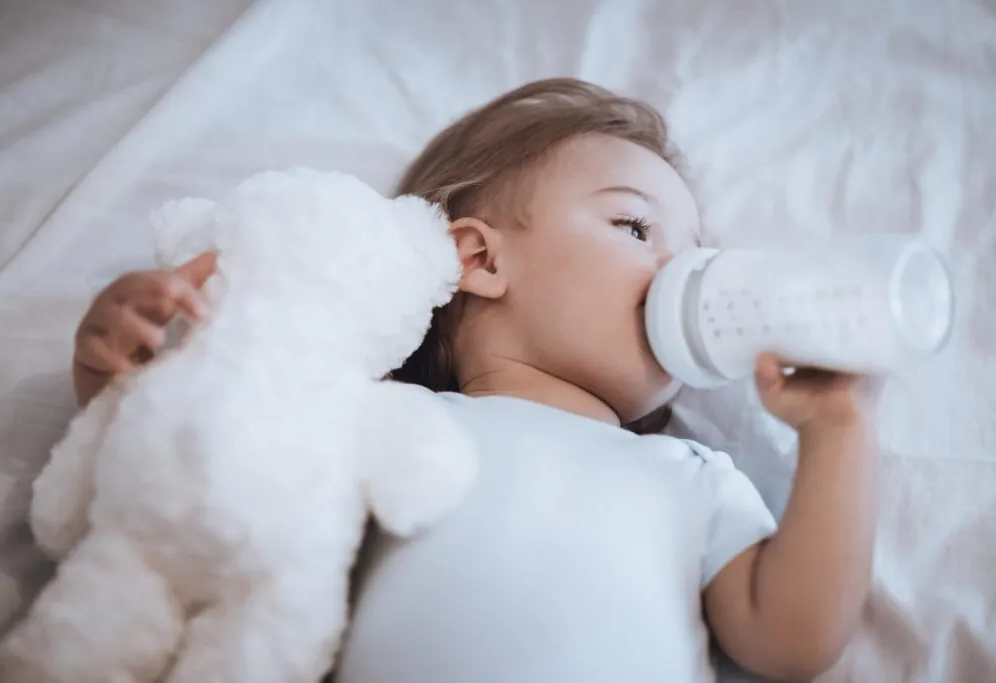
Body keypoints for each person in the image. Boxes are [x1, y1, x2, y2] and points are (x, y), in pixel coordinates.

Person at [69, 78, 878, 682]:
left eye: (697, 250)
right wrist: (118, 367)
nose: (686, 272)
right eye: (636, 225)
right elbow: (192, 479)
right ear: (480, 259)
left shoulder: (693, 474)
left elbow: (792, 639)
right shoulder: (372, 421)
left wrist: (837, 432)